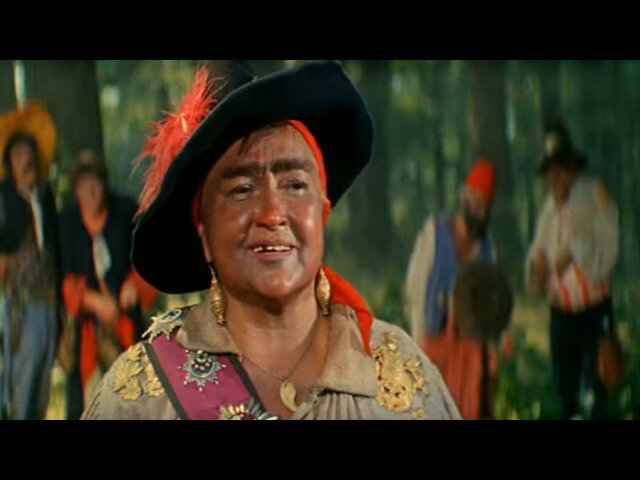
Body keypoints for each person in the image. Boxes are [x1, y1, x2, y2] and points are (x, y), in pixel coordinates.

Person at [81, 61, 461, 420]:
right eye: (242, 189)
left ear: (322, 210)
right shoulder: (141, 395)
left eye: (295, 184)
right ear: (203, 231)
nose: (272, 212)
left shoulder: (403, 376)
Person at [525, 121, 619, 419]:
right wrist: (536, 268)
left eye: (561, 167)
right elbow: (537, 254)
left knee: (594, 399)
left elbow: (609, 251)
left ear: (572, 167)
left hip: (593, 312)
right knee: (566, 398)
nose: (556, 176)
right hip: (561, 318)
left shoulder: (594, 195)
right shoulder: (547, 209)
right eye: (550, 170)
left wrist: (575, 252)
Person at [403, 160, 511, 419]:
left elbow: (493, 301)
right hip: (433, 340)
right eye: (474, 202)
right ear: (464, 197)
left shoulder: (487, 250)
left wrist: (498, 341)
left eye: (483, 206)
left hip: (470, 350)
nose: (478, 211)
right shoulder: (435, 232)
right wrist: (417, 342)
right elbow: (415, 287)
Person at [59, 150, 157, 419]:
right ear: (76, 190)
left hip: (125, 323)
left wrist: (134, 285)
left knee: (136, 392)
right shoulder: (67, 221)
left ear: (104, 184)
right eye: (83, 185)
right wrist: (93, 302)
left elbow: (146, 258)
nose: (90, 192)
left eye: (95, 183)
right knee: (85, 401)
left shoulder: (125, 211)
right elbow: (65, 278)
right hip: (87, 329)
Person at [0, 105, 60, 419]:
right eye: (19, 154)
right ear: (9, 165)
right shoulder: (4, 202)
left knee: (42, 393)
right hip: (22, 308)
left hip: (49, 306)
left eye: (29, 153)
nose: (27, 160)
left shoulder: (45, 199)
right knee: (20, 395)